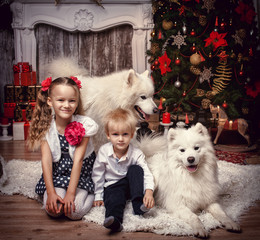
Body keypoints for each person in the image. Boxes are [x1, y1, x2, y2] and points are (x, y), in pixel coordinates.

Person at [27, 76, 99, 220]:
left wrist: (71, 193)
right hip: (57, 175)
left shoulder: (85, 125)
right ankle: (55, 194)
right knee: (55, 210)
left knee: (74, 212)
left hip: (80, 175)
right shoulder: (45, 126)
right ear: (50, 101)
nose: (66, 105)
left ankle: (93, 193)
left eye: (72, 101)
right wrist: (51, 192)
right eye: (61, 100)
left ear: (77, 102)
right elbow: (46, 161)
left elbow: (78, 160)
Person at [92, 108, 155, 232]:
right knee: (114, 199)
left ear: (132, 134)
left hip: (131, 187)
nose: (120, 139)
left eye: (125, 134)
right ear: (108, 135)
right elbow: (97, 174)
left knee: (136, 169)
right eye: (115, 134)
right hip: (113, 186)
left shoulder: (136, 153)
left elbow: (146, 173)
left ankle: (138, 206)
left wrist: (149, 192)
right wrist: (98, 195)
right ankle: (114, 220)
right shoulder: (104, 151)